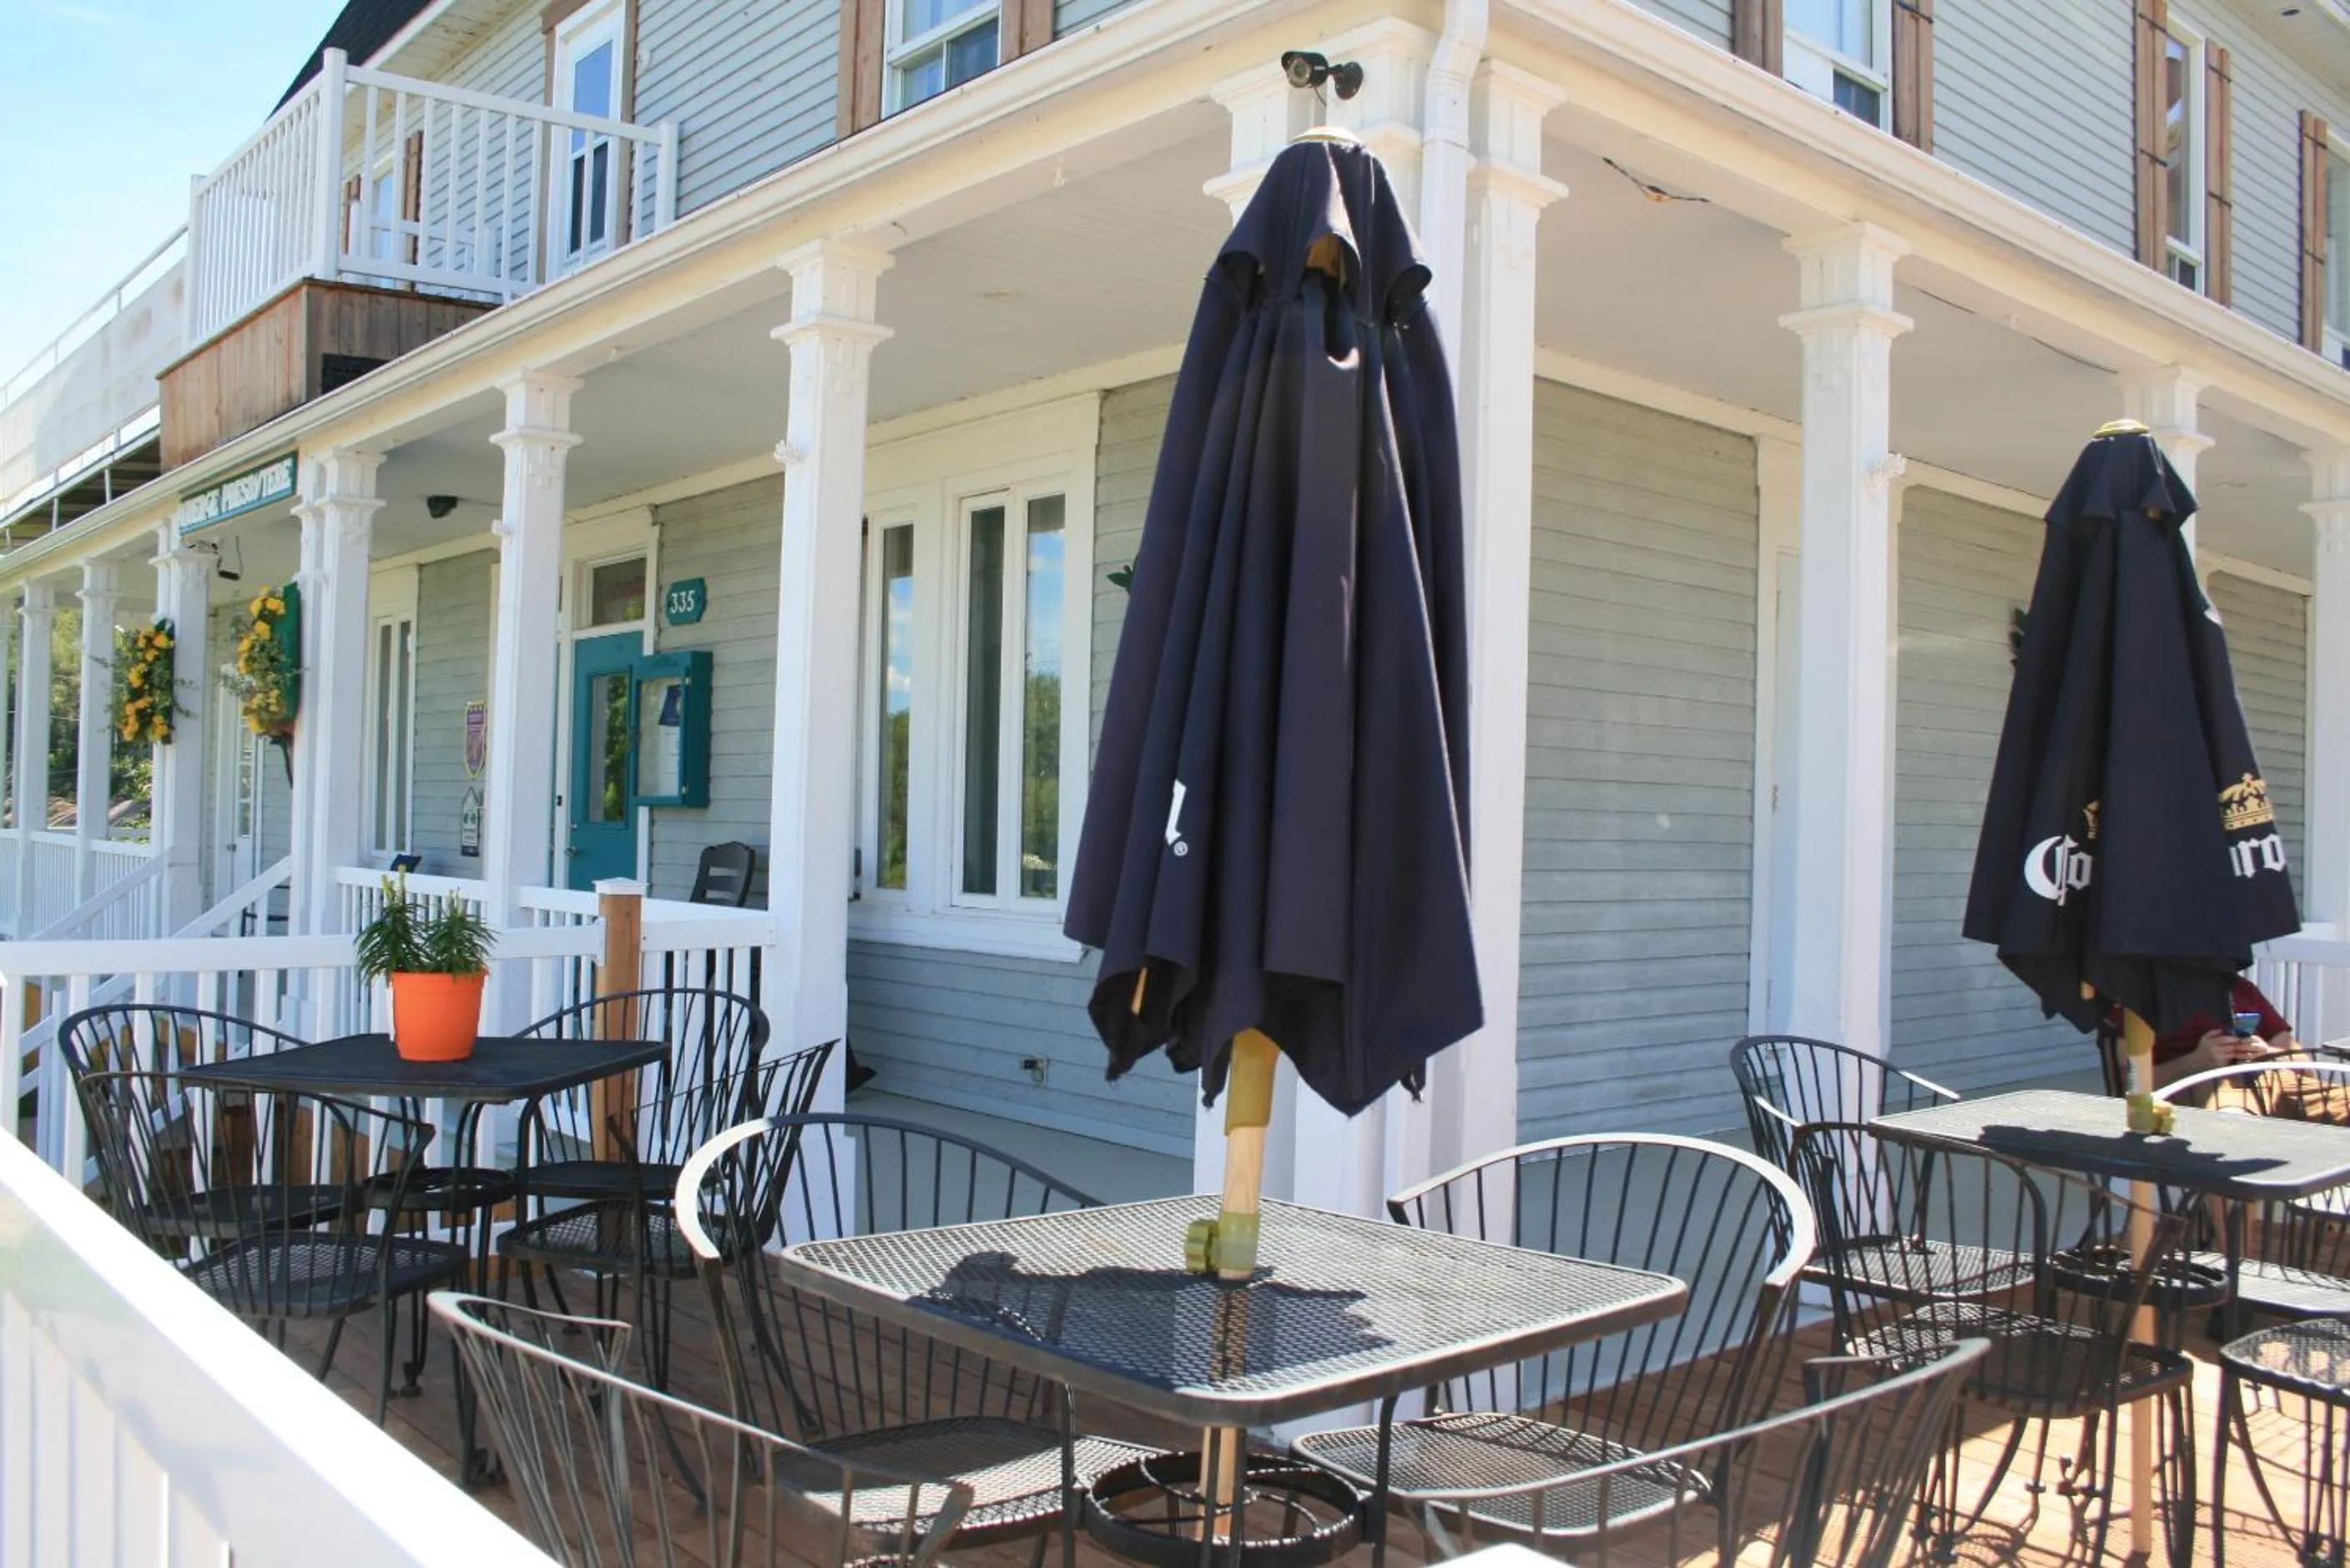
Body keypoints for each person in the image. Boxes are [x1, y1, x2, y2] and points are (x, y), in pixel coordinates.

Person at [2111, 978, 2302, 1090]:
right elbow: (2130, 1084)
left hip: (2274, 1082)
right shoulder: (2142, 1000)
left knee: (2330, 1102)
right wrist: (2195, 1061)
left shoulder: (2242, 989)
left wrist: (2268, 1053)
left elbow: (2305, 1065)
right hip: (2201, 1090)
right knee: (2235, 1113)